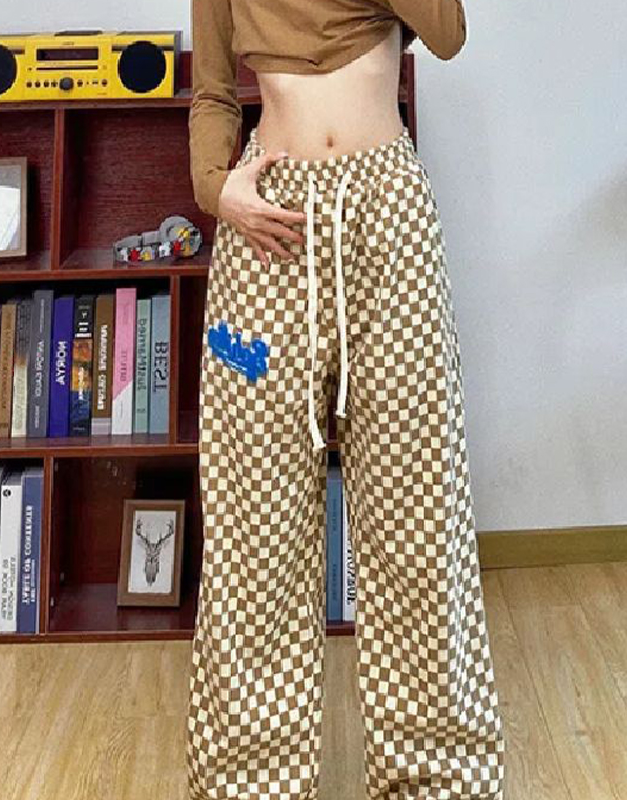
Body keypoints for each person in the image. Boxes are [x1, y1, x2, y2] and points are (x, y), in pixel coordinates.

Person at [187, 1, 505, 798]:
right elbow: (214, 92)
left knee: (417, 512)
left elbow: (447, 35)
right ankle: (248, 780)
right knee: (254, 521)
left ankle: (438, 777)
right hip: (267, 227)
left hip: (388, 221)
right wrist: (217, 191)